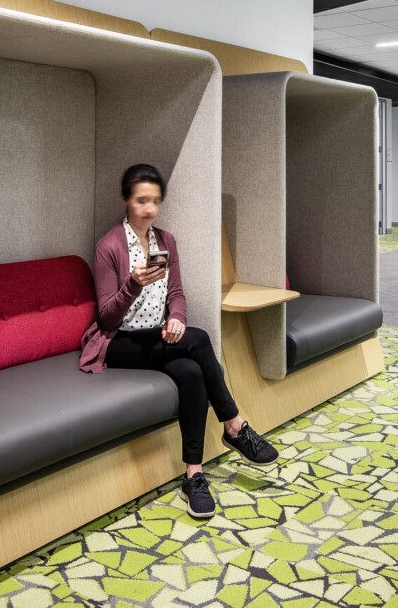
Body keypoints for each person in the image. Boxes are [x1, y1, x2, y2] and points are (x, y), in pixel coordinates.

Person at [80, 164, 279, 519]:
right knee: (200, 340)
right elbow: (107, 317)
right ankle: (234, 425)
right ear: (126, 199)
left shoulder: (165, 241)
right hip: (118, 342)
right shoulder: (108, 246)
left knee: (191, 372)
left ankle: (194, 475)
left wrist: (176, 319)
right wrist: (134, 283)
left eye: (155, 201)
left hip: (158, 337)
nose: (149, 209)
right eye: (142, 200)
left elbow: (176, 294)